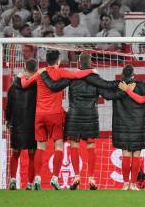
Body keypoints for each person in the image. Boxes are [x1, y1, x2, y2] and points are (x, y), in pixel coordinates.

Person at [83, 64, 145, 190]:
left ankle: (125, 184)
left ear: (122, 74)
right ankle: (134, 184)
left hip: (122, 125)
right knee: (136, 154)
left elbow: (106, 95)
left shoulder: (117, 86)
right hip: (138, 125)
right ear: (133, 75)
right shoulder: (141, 85)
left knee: (125, 154)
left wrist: (94, 84)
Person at [40, 52, 120, 190]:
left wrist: (44, 75)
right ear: (91, 63)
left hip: (74, 115)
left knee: (74, 145)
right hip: (91, 115)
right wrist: (123, 90)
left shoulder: (72, 77)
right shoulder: (96, 78)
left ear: (78, 63)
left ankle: (77, 176)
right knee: (90, 145)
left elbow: (55, 86)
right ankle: (91, 179)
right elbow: (108, 95)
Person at [19, 50, 96, 190]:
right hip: (55, 114)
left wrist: (22, 77)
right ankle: (55, 177)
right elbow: (78, 74)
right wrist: (91, 71)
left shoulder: (40, 72)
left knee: (40, 147)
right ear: (58, 60)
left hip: (40, 114)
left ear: (46, 60)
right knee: (58, 146)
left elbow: (24, 85)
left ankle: (37, 177)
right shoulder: (60, 72)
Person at [5, 59, 38, 190]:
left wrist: (8, 120)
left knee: (15, 152)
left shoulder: (13, 86)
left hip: (17, 123)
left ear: (25, 68)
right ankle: (29, 184)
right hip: (32, 123)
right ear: (36, 69)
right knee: (32, 154)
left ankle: (13, 179)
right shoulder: (37, 85)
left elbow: (8, 106)